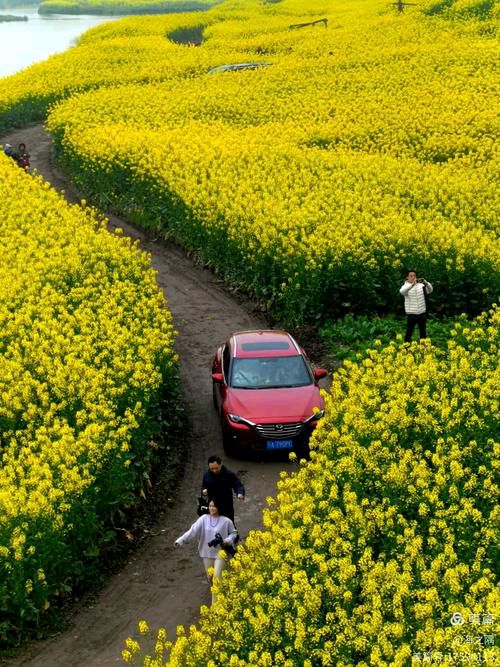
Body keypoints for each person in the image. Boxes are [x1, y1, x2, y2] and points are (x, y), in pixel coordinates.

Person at [175, 498, 238, 604]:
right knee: (211, 579)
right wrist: (181, 540)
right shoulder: (203, 519)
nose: (212, 508)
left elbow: (234, 533)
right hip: (207, 553)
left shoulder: (226, 521)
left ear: (219, 507)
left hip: (221, 553)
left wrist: (227, 541)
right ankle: (222, 594)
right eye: (210, 506)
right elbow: (192, 531)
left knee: (217, 578)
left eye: (214, 506)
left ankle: (216, 607)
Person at [201, 455, 245, 524]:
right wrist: (204, 491)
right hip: (213, 506)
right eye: (212, 469)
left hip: (226, 505)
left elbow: (237, 484)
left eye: (216, 468)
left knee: (228, 525)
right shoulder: (207, 475)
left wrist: (240, 493)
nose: (214, 471)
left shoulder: (228, 474)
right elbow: (204, 486)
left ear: (221, 464)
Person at [400, 270, 433, 342]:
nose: (413, 277)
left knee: (423, 331)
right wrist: (412, 285)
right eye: (411, 276)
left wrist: (426, 283)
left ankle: (424, 346)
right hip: (411, 313)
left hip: (421, 312)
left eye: (414, 275)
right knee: (409, 331)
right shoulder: (405, 286)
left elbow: (430, 290)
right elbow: (402, 292)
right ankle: (406, 346)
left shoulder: (421, 285)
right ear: (407, 277)